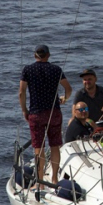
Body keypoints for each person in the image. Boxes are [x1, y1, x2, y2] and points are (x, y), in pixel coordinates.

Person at [19, 45, 73, 186]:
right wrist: (64, 99)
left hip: (36, 113)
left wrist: (25, 110)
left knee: (39, 148)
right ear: (48, 55)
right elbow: (68, 88)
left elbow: (22, 92)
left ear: (34, 55)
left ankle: (40, 182)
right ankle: (54, 178)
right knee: (55, 146)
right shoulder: (56, 70)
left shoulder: (28, 70)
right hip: (54, 112)